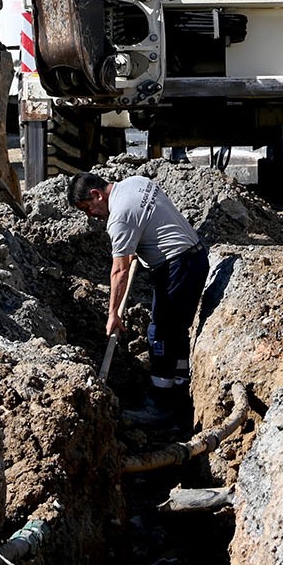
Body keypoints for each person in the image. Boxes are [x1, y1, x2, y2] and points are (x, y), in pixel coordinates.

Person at [68, 170, 210, 427]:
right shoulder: (137, 183)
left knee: (160, 334)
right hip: (195, 257)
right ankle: (181, 393)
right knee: (176, 332)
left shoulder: (119, 218)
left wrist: (113, 314)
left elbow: (119, 270)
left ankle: (160, 406)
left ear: (96, 194)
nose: (91, 216)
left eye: (88, 208)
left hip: (177, 264)